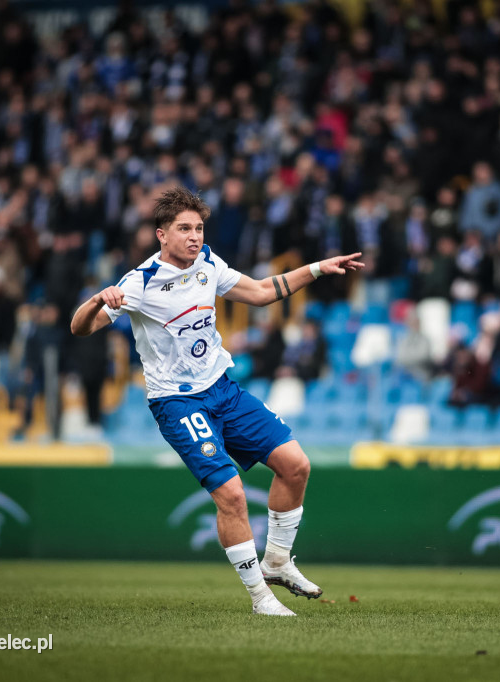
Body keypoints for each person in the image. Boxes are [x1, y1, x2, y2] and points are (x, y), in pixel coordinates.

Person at [70, 187, 363, 614]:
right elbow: (80, 328)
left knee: (296, 465)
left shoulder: (208, 262)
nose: (194, 236)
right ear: (161, 235)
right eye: (184, 229)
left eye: (199, 227)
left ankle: (278, 562)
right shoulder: (139, 282)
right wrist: (98, 298)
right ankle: (261, 598)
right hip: (178, 403)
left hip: (223, 389)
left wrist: (317, 268)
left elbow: (263, 291)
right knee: (232, 494)